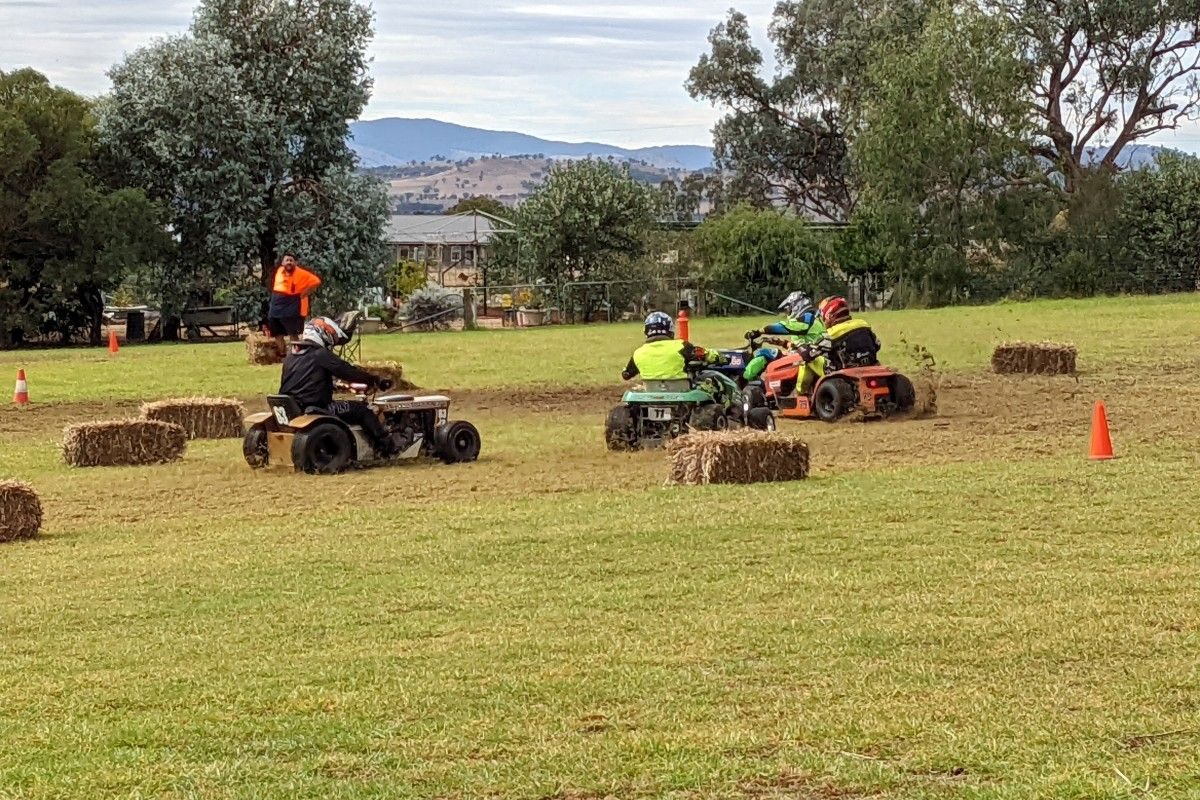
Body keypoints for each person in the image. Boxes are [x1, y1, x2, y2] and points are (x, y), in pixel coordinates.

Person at [279, 317, 401, 456]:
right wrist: (375, 380)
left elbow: (303, 380)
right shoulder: (320, 354)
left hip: (292, 406)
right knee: (362, 410)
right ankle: (387, 447)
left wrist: (332, 385)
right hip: (317, 408)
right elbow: (347, 371)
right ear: (322, 334)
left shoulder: (292, 355)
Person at [742, 291, 826, 383]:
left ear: (797, 305)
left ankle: (745, 379)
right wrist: (780, 342)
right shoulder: (814, 319)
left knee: (764, 353)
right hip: (810, 355)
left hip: (807, 359)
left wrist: (759, 331)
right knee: (775, 353)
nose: (787, 313)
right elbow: (801, 344)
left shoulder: (807, 318)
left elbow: (785, 327)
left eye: (788, 309)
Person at [803, 295, 882, 375]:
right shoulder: (863, 324)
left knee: (809, 362)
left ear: (829, 316)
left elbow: (809, 354)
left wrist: (802, 349)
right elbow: (877, 344)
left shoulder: (830, 334)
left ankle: (800, 388)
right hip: (872, 368)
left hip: (846, 376)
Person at [268, 254, 322, 357]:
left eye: (291, 260)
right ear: (282, 263)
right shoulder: (279, 270)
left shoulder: (301, 273)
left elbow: (316, 281)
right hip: (276, 304)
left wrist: (305, 292)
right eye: (287, 260)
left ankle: (296, 355)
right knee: (276, 333)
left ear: (295, 263)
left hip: (291, 304)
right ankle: (283, 355)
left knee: (293, 333)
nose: (289, 262)